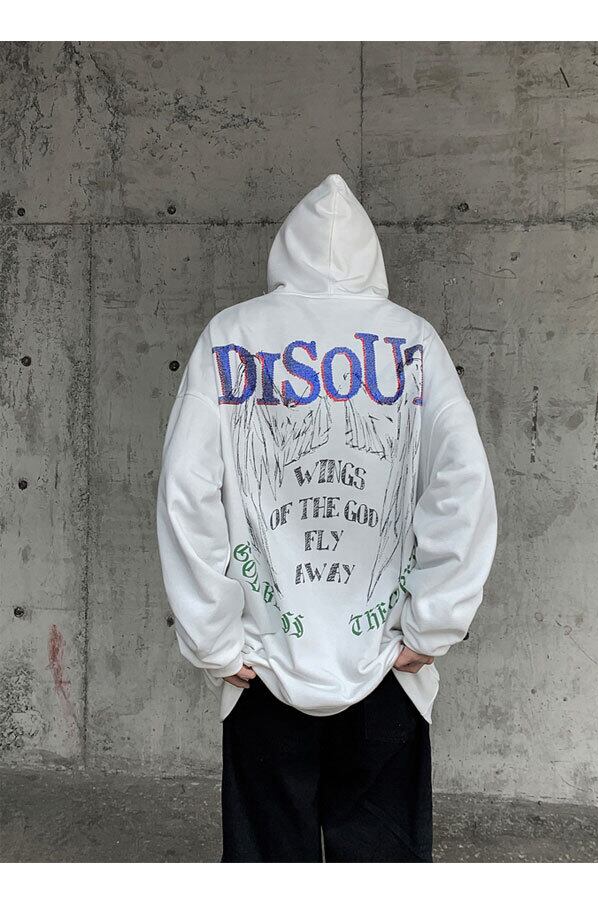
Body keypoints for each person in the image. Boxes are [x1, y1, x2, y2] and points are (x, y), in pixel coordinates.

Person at [156, 174, 497, 863]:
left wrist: (216, 639)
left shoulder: (231, 336)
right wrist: (433, 621)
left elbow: (185, 491)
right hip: (385, 660)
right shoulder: (412, 342)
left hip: (263, 658)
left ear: (285, 251)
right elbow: (463, 484)